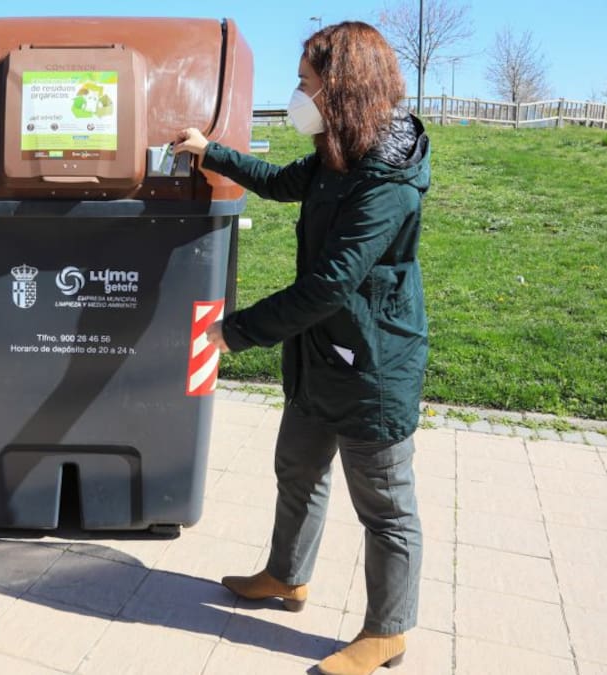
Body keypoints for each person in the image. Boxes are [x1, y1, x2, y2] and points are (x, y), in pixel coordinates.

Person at [174, 21, 429, 675]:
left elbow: (331, 284)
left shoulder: (388, 176)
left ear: (341, 91)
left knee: (385, 504)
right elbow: (286, 181)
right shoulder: (339, 148)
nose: (297, 94)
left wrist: (237, 329)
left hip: (374, 362)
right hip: (322, 356)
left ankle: (388, 630)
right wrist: (214, 152)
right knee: (298, 468)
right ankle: (287, 575)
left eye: (305, 83)